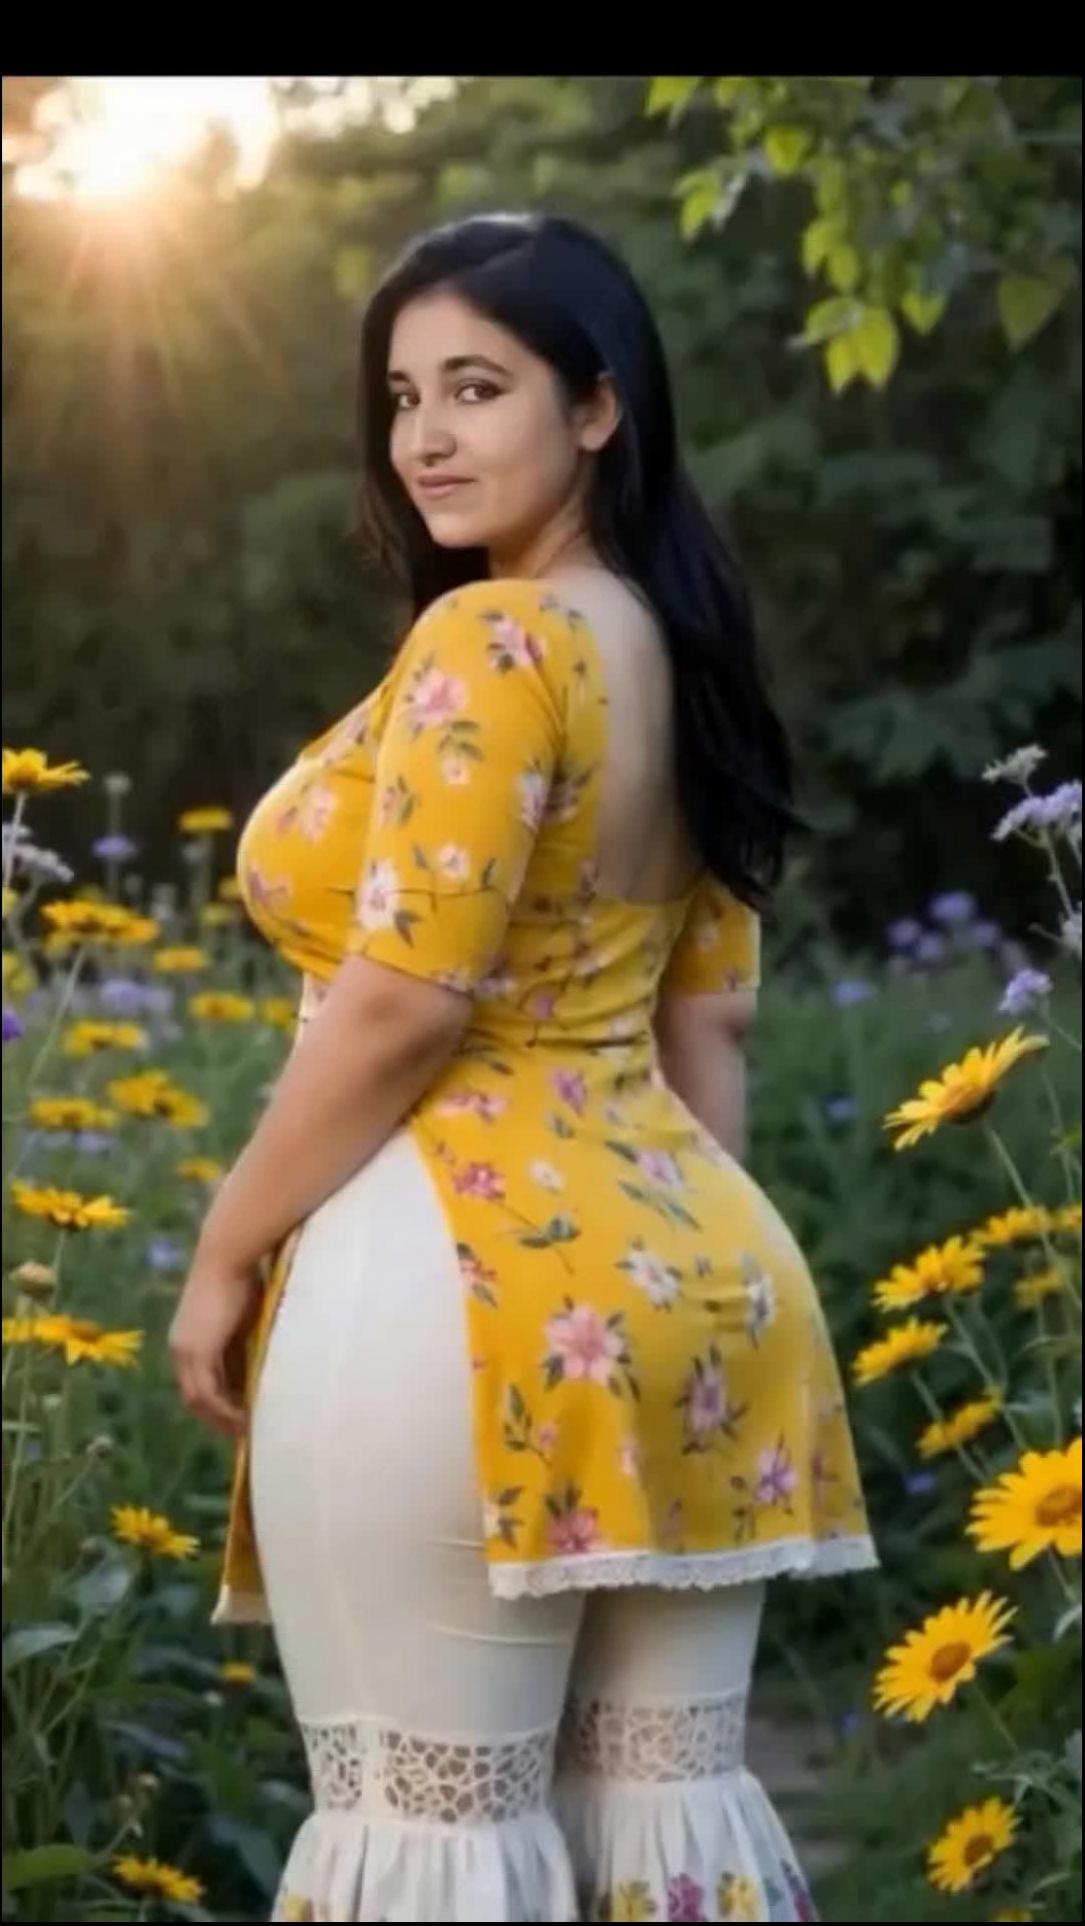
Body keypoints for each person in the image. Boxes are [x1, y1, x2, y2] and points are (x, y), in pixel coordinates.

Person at [169, 211, 877, 1924]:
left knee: (434, 1840)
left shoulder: (490, 646)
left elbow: (408, 995)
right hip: (703, 1282)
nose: (422, 433)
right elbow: (703, 1022)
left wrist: (226, 1246)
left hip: (463, 1288)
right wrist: (675, 1319)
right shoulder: (678, 648)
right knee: (667, 1841)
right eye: (404, 393)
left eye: (476, 386)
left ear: (597, 408)